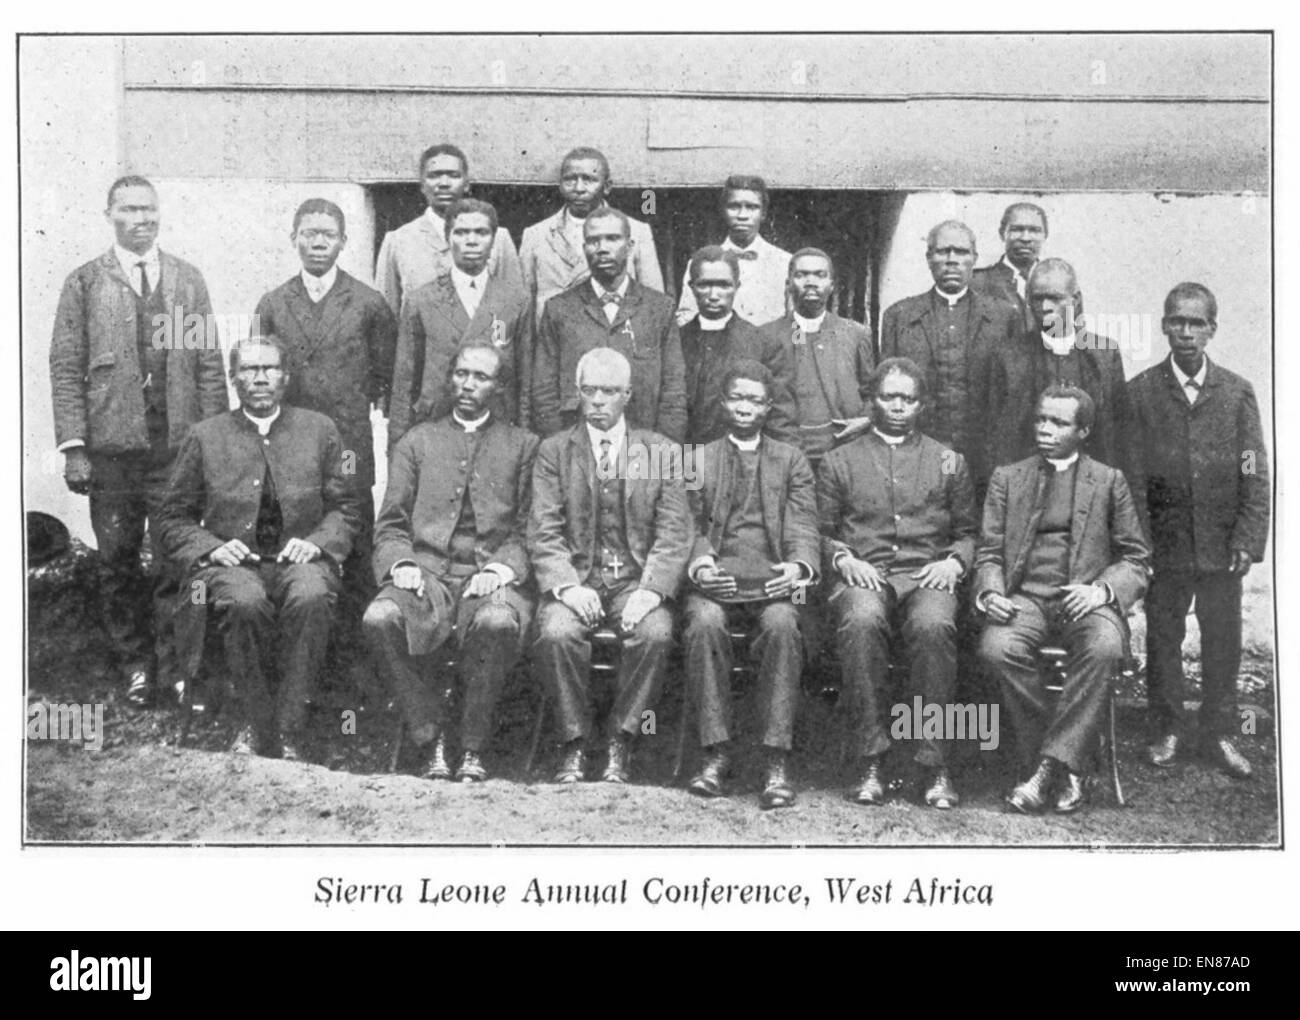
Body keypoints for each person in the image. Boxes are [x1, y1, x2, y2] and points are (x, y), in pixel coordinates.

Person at [49, 175, 228, 707]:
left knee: (178, 559)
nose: (143, 219)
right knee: (118, 561)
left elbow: (209, 365)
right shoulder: (85, 282)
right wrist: (75, 447)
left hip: (175, 451)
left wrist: (213, 443)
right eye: (130, 209)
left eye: (150, 209)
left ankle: (177, 668)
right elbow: (65, 368)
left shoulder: (186, 280)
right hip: (112, 453)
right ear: (109, 214)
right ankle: (136, 666)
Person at [157, 337, 363, 759]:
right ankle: (254, 722)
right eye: (249, 370)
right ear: (233, 379)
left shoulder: (321, 430)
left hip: (298, 560)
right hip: (232, 567)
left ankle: (287, 729)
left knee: (311, 596)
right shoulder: (205, 436)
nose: (260, 378)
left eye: (269, 369)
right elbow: (170, 517)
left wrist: (317, 543)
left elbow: (347, 507)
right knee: (244, 601)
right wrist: (212, 548)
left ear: (286, 378)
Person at [364, 344, 539, 783]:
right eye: (461, 374)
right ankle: (429, 734)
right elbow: (390, 523)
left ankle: (473, 744)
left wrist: (501, 569)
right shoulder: (417, 441)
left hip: (491, 573)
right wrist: (401, 563)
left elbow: (530, 528)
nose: (467, 385)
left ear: (499, 387)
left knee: (498, 622)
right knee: (380, 617)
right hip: (427, 573)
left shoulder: (524, 446)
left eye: (480, 377)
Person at [975, 385, 1150, 814]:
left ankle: (1043, 771)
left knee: (1105, 646)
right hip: (1026, 600)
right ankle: (1067, 762)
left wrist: (1100, 591)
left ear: (1083, 430)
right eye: (1041, 419)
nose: (1046, 429)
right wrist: (991, 592)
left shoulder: (1109, 481)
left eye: (1059, 422)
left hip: (1086, 601)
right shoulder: (1008, 477)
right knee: (997, 648)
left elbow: (1136, 558)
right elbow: (988, 552)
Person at [817, 358, 978, 809]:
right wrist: (842, 557)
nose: (898, 407)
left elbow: (969, 532)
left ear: (922, 404)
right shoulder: (838, 460)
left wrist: (953, 564)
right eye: (889, 397)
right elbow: (820, 530)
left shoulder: (949, 459)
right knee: (862, 620)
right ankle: (871, 756)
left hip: (926, 573)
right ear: (872, 400)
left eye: (908, 399)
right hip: (864, 573)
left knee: (934, 626)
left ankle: (934, 761)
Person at [528, 348, 692, 784]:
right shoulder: (553, 452)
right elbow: (543, 529)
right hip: (579, 577)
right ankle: (574, 743)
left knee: (655, 633)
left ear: (628, 395)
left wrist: (651, 590)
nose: (598, 400)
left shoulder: (661, 451)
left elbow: (675, 531)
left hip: (634, 583)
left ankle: (623, 740)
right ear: (577, 394)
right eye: (589, 391)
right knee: (557, 632)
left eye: (609, 391)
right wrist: (566, 586)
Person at [1127, 283, 1269, 779]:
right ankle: (1166, 726)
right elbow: (1133, 475)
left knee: (1223, 639)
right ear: (1164, 325)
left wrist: (1248, 539)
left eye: (1196, 323)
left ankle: (1221, 731)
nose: (1186, 332)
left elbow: (1253, 467)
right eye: (1177, 322)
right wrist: (1139, 544)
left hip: (1220, 546)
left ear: (1212, 329)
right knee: (1163, 635)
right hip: (1164, 546)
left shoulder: (1236, 392)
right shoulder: (1141, 392)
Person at [252, 198, 398, 649]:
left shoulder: (369, 304)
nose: (318, 242)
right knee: (295, 535)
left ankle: (359, 653)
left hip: (349, 444)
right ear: (294, 238)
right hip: (292, 447)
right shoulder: (274, 303)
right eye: (309, 233)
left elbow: (384, 374)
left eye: (328, 234)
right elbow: (260, 372)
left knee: (353, 536)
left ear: (344, 242)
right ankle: (301, 647)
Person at [682, 360, 818, 809]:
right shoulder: (698, 459)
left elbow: (802, 523)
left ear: (769, 407)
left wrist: (798, 566)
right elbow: (687, 524)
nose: (745, 408)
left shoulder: (791, 459)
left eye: (755, 401)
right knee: (703, 624)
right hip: (717, 582)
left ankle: (775, 758)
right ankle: (715, 754)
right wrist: (701, 563)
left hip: (772, 583)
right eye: (737, 398)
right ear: (724, 403)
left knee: (782, 625)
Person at [879, 220, 1016, 488]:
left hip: (984, 454)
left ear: (974, 259)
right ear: (929, 258)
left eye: (961, 252)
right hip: (919, 449)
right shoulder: (899, 316)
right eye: (943, 252)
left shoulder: (1004, 317)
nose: (952, 260)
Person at [531, 207, 686, 441]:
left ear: (630, 246)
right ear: (584, 249)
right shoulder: (558, 309)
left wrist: (661, 449)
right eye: (593, 241)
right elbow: (544, 391)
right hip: (577, 444)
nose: (602, 248)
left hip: (642, 445)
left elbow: (673, 391)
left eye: (612, 239)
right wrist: (562, 447)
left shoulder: (659, 309)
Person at [388, 197, 531, 445]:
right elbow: (405, 381)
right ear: (448, 239)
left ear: (493, 240)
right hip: (436, 422)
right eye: (462, 232)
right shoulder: (422, 299)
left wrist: (525, 438)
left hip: (497, 426)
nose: (472, 241)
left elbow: (526, 379)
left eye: (481, 232)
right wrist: (397, 446)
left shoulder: (516, 300)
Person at [985, 258, 1132, 476]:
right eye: (1037, 299)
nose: (1045, 308)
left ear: (1076, 300)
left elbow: (1120, 433)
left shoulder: (1104, 354)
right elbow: (997, 437)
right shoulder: (1008, 357)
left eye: (1054, 298)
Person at [759, 247, 876, 469]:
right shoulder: (767, 336)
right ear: (788, 284)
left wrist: (867, 418)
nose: (811, 282)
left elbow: (873, 392)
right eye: (801, 275)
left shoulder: (855, 334)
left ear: (832, 285)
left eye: (820, 275)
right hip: (787, 457)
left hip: (846, 453)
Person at [519, 146, 664, 323]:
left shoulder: (637, 232)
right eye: (570, 180)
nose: (579, 188)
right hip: (554, 342)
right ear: (560, 184)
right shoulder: (536, 235)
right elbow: (524, 309)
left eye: (589, 180)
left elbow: (654, 305)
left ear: (607, 186)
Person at [374, 143, 522, 315]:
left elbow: (512, 308)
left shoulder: (499, 238)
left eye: (453, 175)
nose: (444, 183)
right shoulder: (398, 240)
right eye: (434, 176)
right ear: (422, 184)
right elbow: (385, 314)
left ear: (466, 184)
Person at [678, 246, 796, 446]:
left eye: (724, 285)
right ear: (692, 287)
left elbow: (780, 418)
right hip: (686, 459)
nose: (714, 295)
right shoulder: (676, 341)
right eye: (705, 285)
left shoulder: (763, 344)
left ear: (737, 286)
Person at [676, 175, 791, 327]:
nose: (742, 215)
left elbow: (795, 322)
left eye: (751, 207)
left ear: (763, 213)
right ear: (723, 211)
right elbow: (686, 318)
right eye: (734, 206)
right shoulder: (700, 263)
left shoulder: (786, 262)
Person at [971, 202, 1049, 319]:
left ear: (1045, 235)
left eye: (1034, 230)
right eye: (1016, 230)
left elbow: (1070, 331)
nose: (1025, 238)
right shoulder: (977, 283)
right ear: (1002, 234)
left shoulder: (1057, 282)